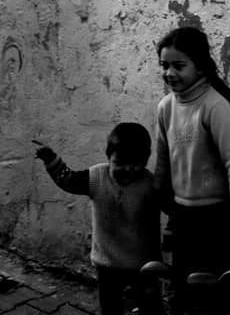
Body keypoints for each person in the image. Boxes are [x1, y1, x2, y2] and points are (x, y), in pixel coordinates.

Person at [153, 26, 230, 313]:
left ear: (199, 66)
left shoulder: (214, 106)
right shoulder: (165, 108)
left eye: (178, 66)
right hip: (182, 214)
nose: (170, 73)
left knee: (214, 288)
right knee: (184, 285)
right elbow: (163, 160)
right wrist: (162, 201)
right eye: (164, 66)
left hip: (216, 217)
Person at [34, 123, 161, 315]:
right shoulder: (97, 177)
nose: (129, 169)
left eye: (137, 163)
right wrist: (50, 159)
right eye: (120, 162)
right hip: (107, 265)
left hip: (142, 265)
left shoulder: (149, 185)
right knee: (110, 308)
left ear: (146, 159)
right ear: (108, 156)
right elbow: (68, 180)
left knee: (149, 307)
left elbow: (157, 222)